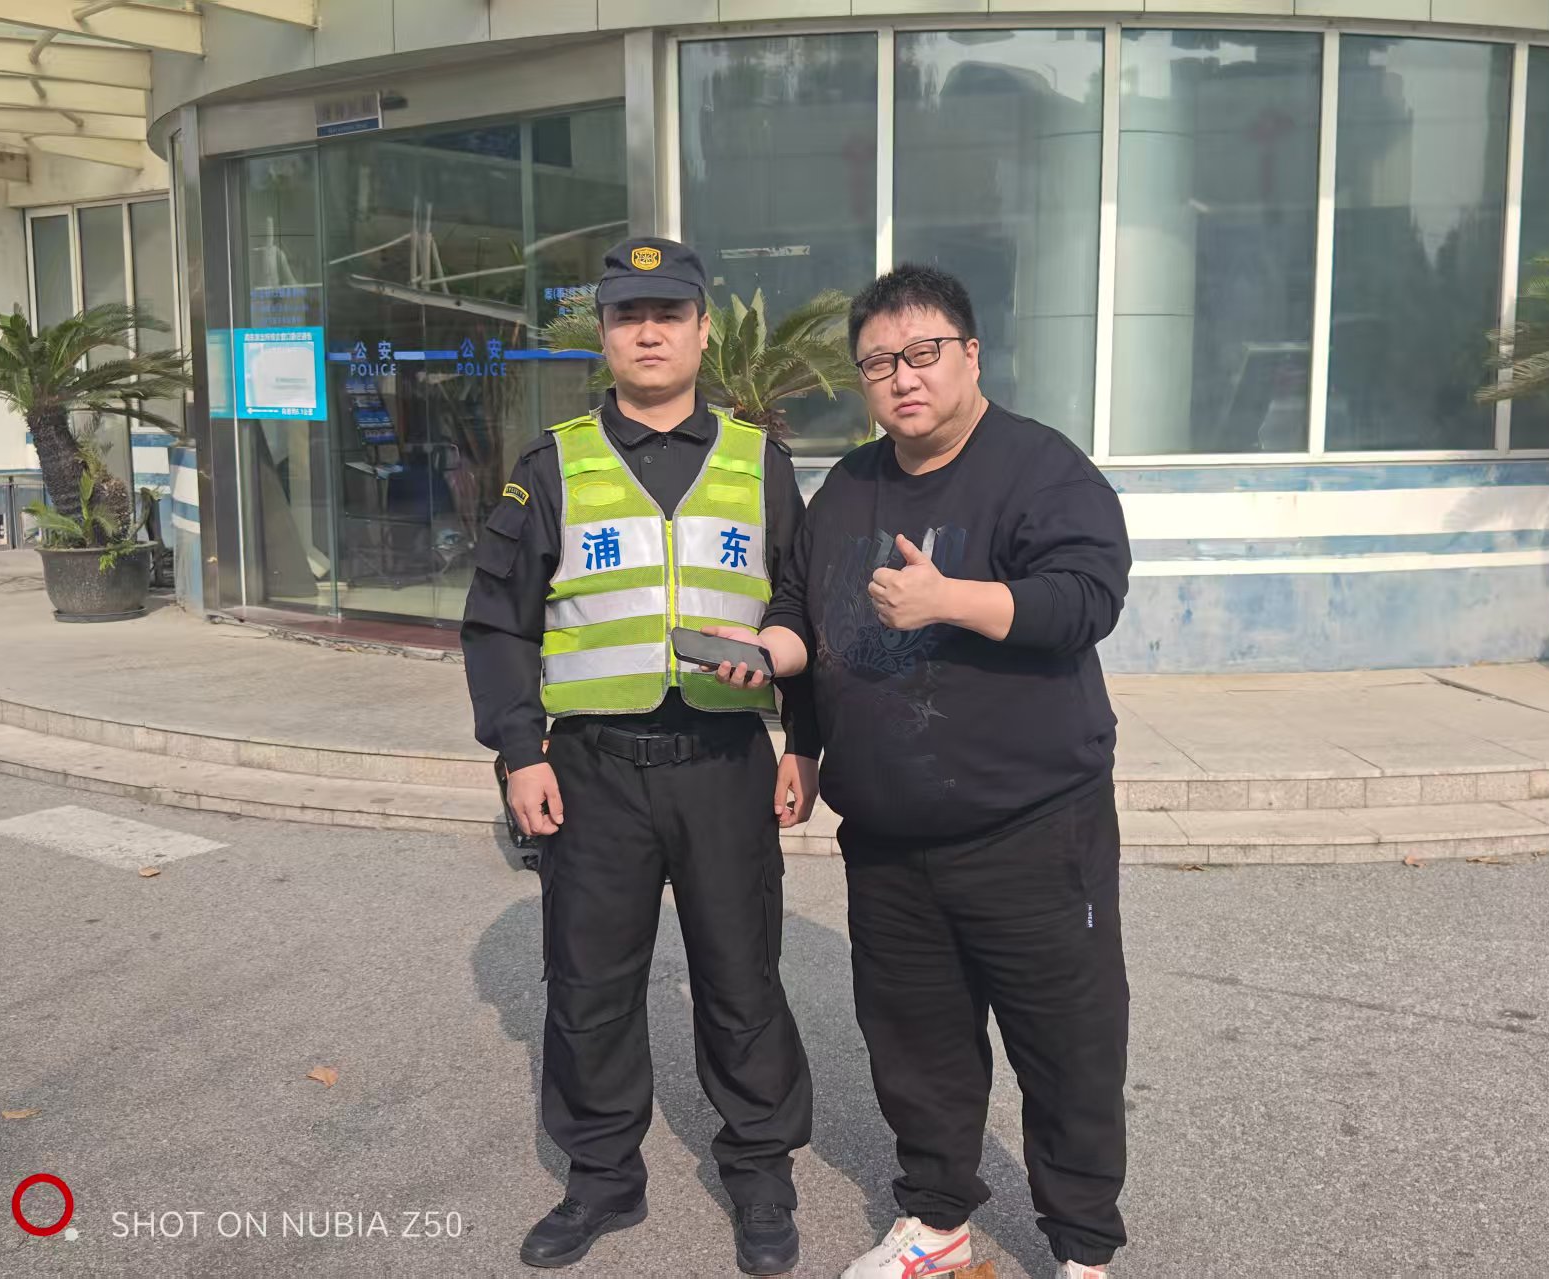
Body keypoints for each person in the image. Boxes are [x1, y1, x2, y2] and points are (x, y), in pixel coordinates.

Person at [708, 264, 1132, 1279]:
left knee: (1066, 1045)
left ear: (971, 354)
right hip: (890, 838)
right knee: (914, 1042)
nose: (902, 377)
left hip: (1032, 828)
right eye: (878, 363)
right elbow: (803, 609)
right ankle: (937, 1220)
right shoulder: (849, 487)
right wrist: (782, 688)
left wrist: (953, 599)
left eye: (923, 353)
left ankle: (1083, 1247)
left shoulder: (1041, 467)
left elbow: (1088, 595)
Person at [461, 237, 817, 1275]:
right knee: (589, 984)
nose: (649, 332)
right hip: (592, 769)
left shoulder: (759, 461)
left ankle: (760, 1171)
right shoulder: (550, 466)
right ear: (606, 335)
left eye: (668, 313)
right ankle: (602, 1177)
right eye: (628, 315)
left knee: (742, 976)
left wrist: (803, 738)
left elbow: (802, 603)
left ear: (703, 330)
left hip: (724, 760)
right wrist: (520, 753)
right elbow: (500, 622)